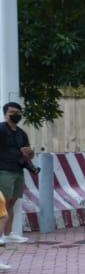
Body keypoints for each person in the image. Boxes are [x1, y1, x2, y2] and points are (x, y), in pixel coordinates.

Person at [0, 101, 35, 246]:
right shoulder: (1, 130)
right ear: (5, 114)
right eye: (12, 113)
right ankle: (2, 235)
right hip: (4, 170)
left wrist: (30, 153)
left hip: (18, 170)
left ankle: (8, 234)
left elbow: (29, 155)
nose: (15, 115)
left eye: (18, 113)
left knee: (12, 202)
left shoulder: (22, 133)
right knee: (3, 203)